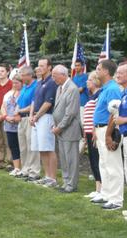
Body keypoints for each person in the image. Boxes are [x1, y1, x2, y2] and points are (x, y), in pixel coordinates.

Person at [91, 59, 123, 210]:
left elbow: (114, 113)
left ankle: (116, 199)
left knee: (113, 165)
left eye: (98, 69)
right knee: (103, 163)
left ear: (106, 71)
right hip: (101, 129)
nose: (96, 71)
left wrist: (108, 134)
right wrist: (96, 130)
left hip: (107, 129)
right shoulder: (105, 88)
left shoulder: (112, 89)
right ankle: (106, 194)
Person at [52, 65, 81, 193]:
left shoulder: (72, 89)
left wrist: (59, 127)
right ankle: (66, 182)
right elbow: (57, 109)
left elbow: (71, 113)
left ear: (63, 75)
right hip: (60, 130)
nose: (53, 79)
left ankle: (72, 185)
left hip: (69, 130)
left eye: (55, 76)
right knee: (64, 158)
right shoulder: (59, 88)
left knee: (71, 159)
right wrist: (55, 125)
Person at [30, 58, 58, 188]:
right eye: (38, 65)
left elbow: (48, 103)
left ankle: (53, 178)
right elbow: (35, 101)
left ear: (49, 67)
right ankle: (47, 176)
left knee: (49, 148)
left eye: (42, 66)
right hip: (37, 118)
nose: (39, 68)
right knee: (42, 149)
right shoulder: (39, 82)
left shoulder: (52, 82)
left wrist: (36, 117)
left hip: (46, 117)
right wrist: (32, 116)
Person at [115, 61, 127, 220]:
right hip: (126, 136)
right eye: (117, 72)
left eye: (121, 72)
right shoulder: (125, 92)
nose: (118, 75)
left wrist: (124, 120)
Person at [17, 66, 40, 180]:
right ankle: (25, 169)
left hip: (29, 117)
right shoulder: (25, 87)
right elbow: (19, 101)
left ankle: (34, 171)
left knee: (32, 145)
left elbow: (34, 104)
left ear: (30, 75)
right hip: (21, 119)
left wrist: (20, 110)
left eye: (23, 75)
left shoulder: (36, 86)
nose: (21, 77)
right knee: (23, 146)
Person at [83, 71, 102, 199]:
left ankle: (102, 188)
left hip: (95, 133)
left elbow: (98, 114)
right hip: (89, 132)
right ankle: (97, 188)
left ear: (95, 81)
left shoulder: (99, 95)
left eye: (89, 80)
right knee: (92, 160)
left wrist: (94, 130)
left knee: (97, 159)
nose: (87, 82)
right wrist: (86, 131)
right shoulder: (91, 96)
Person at [1, 73, 22, 176]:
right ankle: (16, 167)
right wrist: (6, 116)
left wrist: (15, 117)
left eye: (17, 83)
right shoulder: (8, 94)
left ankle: (23, 167)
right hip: (9, 124)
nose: (14, 85)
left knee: (21, 146)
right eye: (13, 82)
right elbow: (3, 106)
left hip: (19, 123)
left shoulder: (23, 93)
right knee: (13, 146)